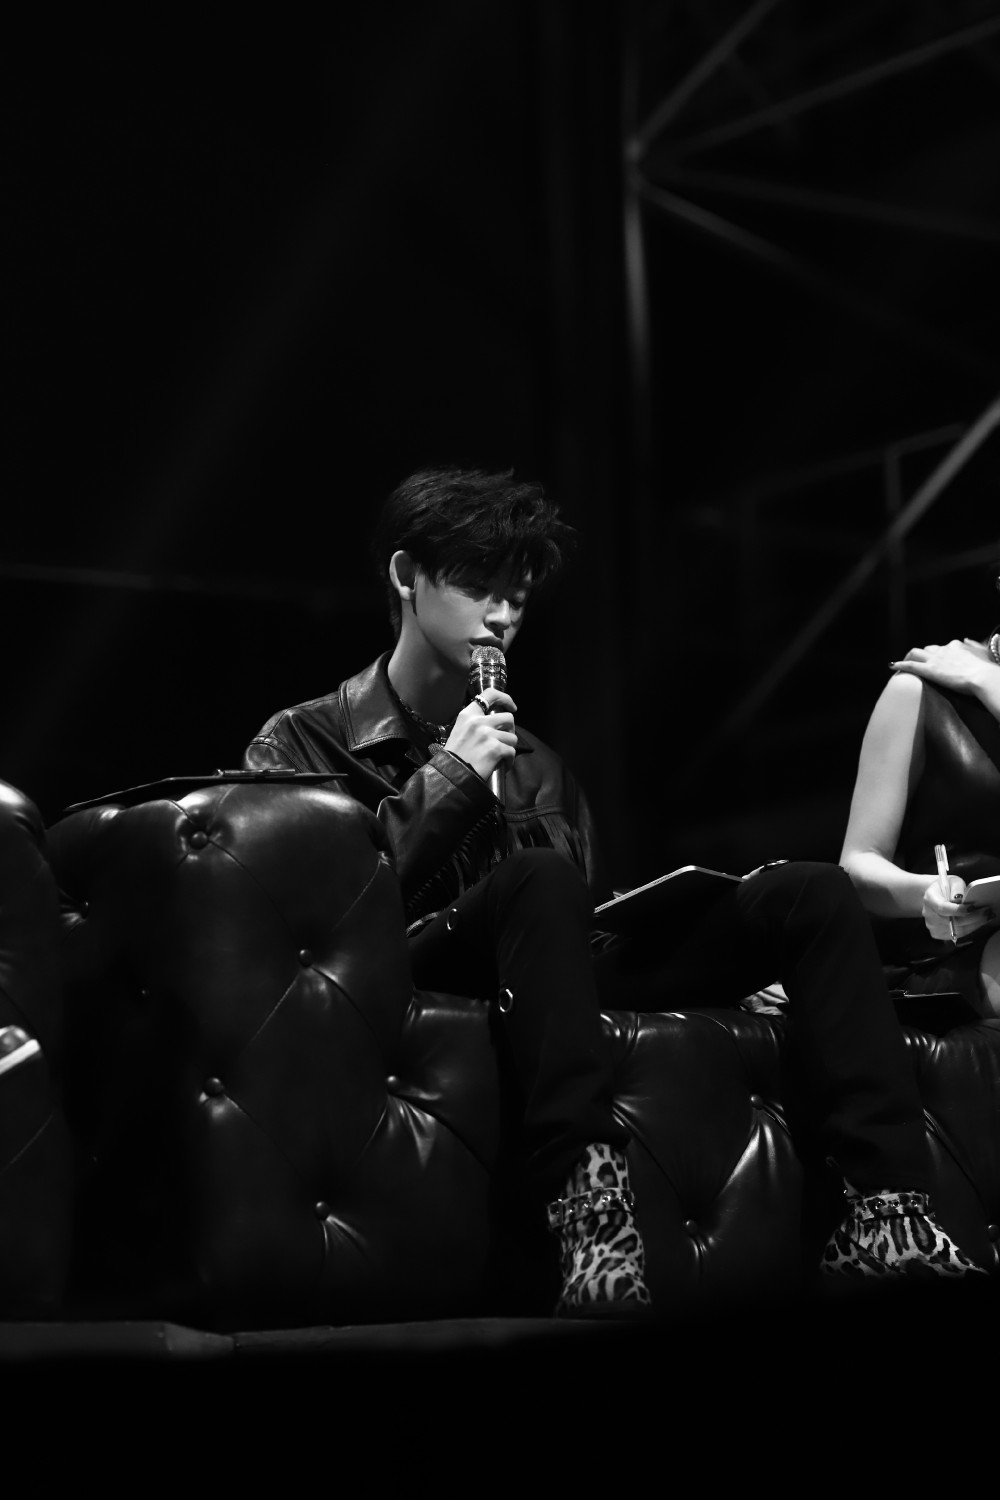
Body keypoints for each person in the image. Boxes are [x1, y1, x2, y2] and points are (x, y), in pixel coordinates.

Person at [243, 466, 983, 1309]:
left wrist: (720, 957)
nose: (502, 617)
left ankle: (889, 1215)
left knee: (809, 893)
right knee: (535, 875)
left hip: (548, 981)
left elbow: (583, 927)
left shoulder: (541, 768)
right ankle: (592, 1214)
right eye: (481, 588)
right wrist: (449, 779)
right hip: (413, 970)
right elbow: (317, 919)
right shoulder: (302, 739)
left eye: (518, 597)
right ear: (407, 577)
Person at [840, 599, 1000, 1021]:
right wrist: (927, 893)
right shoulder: (921, 688)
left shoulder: (982, 678)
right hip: (950, 952)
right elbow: (857, 863)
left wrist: (990, 683)